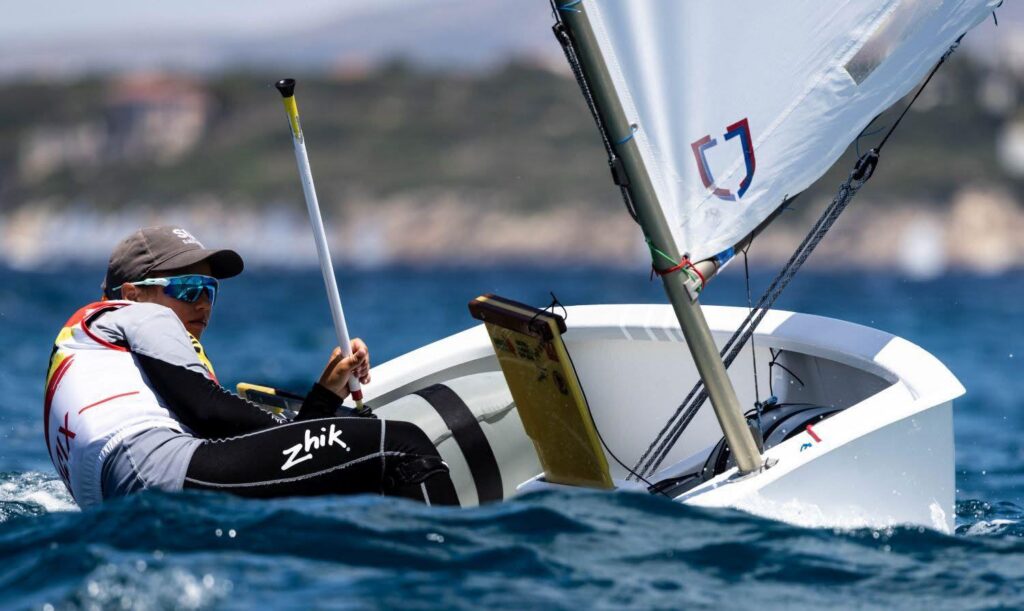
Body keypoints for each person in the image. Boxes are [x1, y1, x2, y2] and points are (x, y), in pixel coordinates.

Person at [43, 226, 458, 508]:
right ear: (133, 293)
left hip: (137, 504)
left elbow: (251, 455)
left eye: (210, 291)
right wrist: (315, 427)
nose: (203, 303)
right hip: (168, 476)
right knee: (401, 443)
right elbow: (210, 411)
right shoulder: (141, 314)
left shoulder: (89, 354)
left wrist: (323, 399)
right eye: (188, 288)